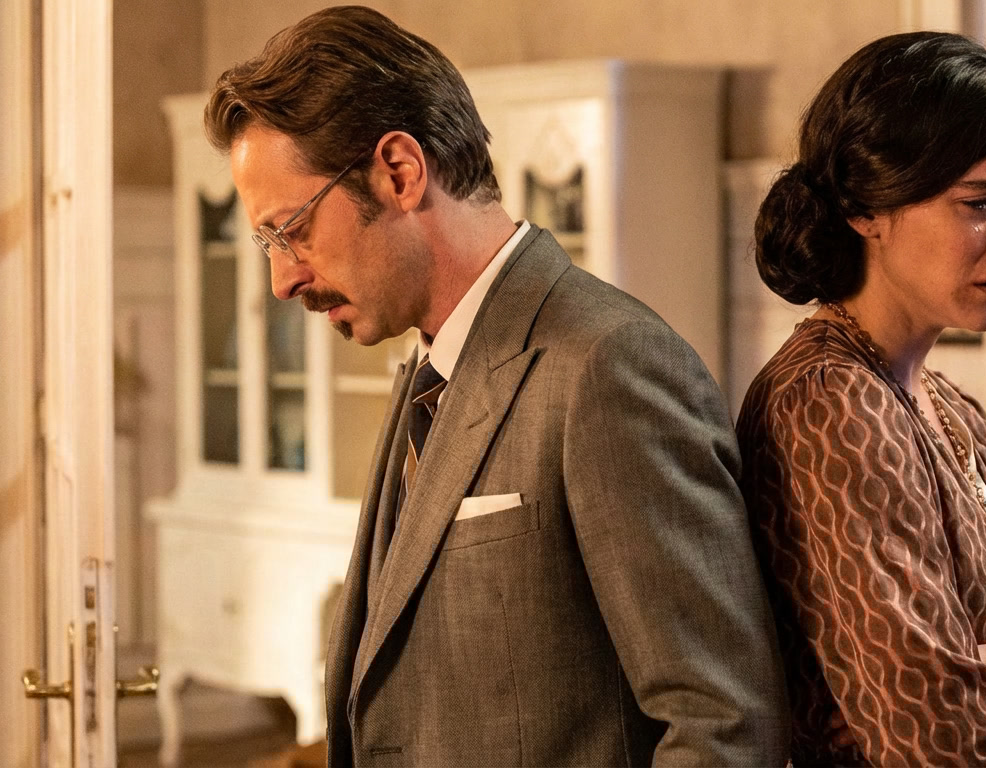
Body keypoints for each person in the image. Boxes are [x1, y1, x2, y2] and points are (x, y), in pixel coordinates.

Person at [205, 6, 789, 766]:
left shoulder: (609, 365)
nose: (281, 280)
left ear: (400, 172)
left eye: (291, 230)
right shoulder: (426, 373)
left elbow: (725, 725)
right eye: (265, 243)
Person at [736, 31, 986, 766]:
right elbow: (943, 741)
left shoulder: (951, 406)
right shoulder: (831, 404)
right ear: (866, 208)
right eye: (981, 202)